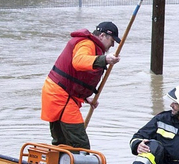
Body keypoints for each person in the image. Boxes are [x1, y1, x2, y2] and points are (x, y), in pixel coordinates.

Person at [41, 21, 121, 149]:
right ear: (102, 36)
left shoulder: (90, 45)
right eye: (111, 40)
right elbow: (78, 62)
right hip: (61, 96)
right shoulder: (87, 43)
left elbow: (74, 76)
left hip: (58, 93)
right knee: (80, 144)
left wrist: (84, 98)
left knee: (62, 142)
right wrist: (104, 59)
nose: (112, 45)